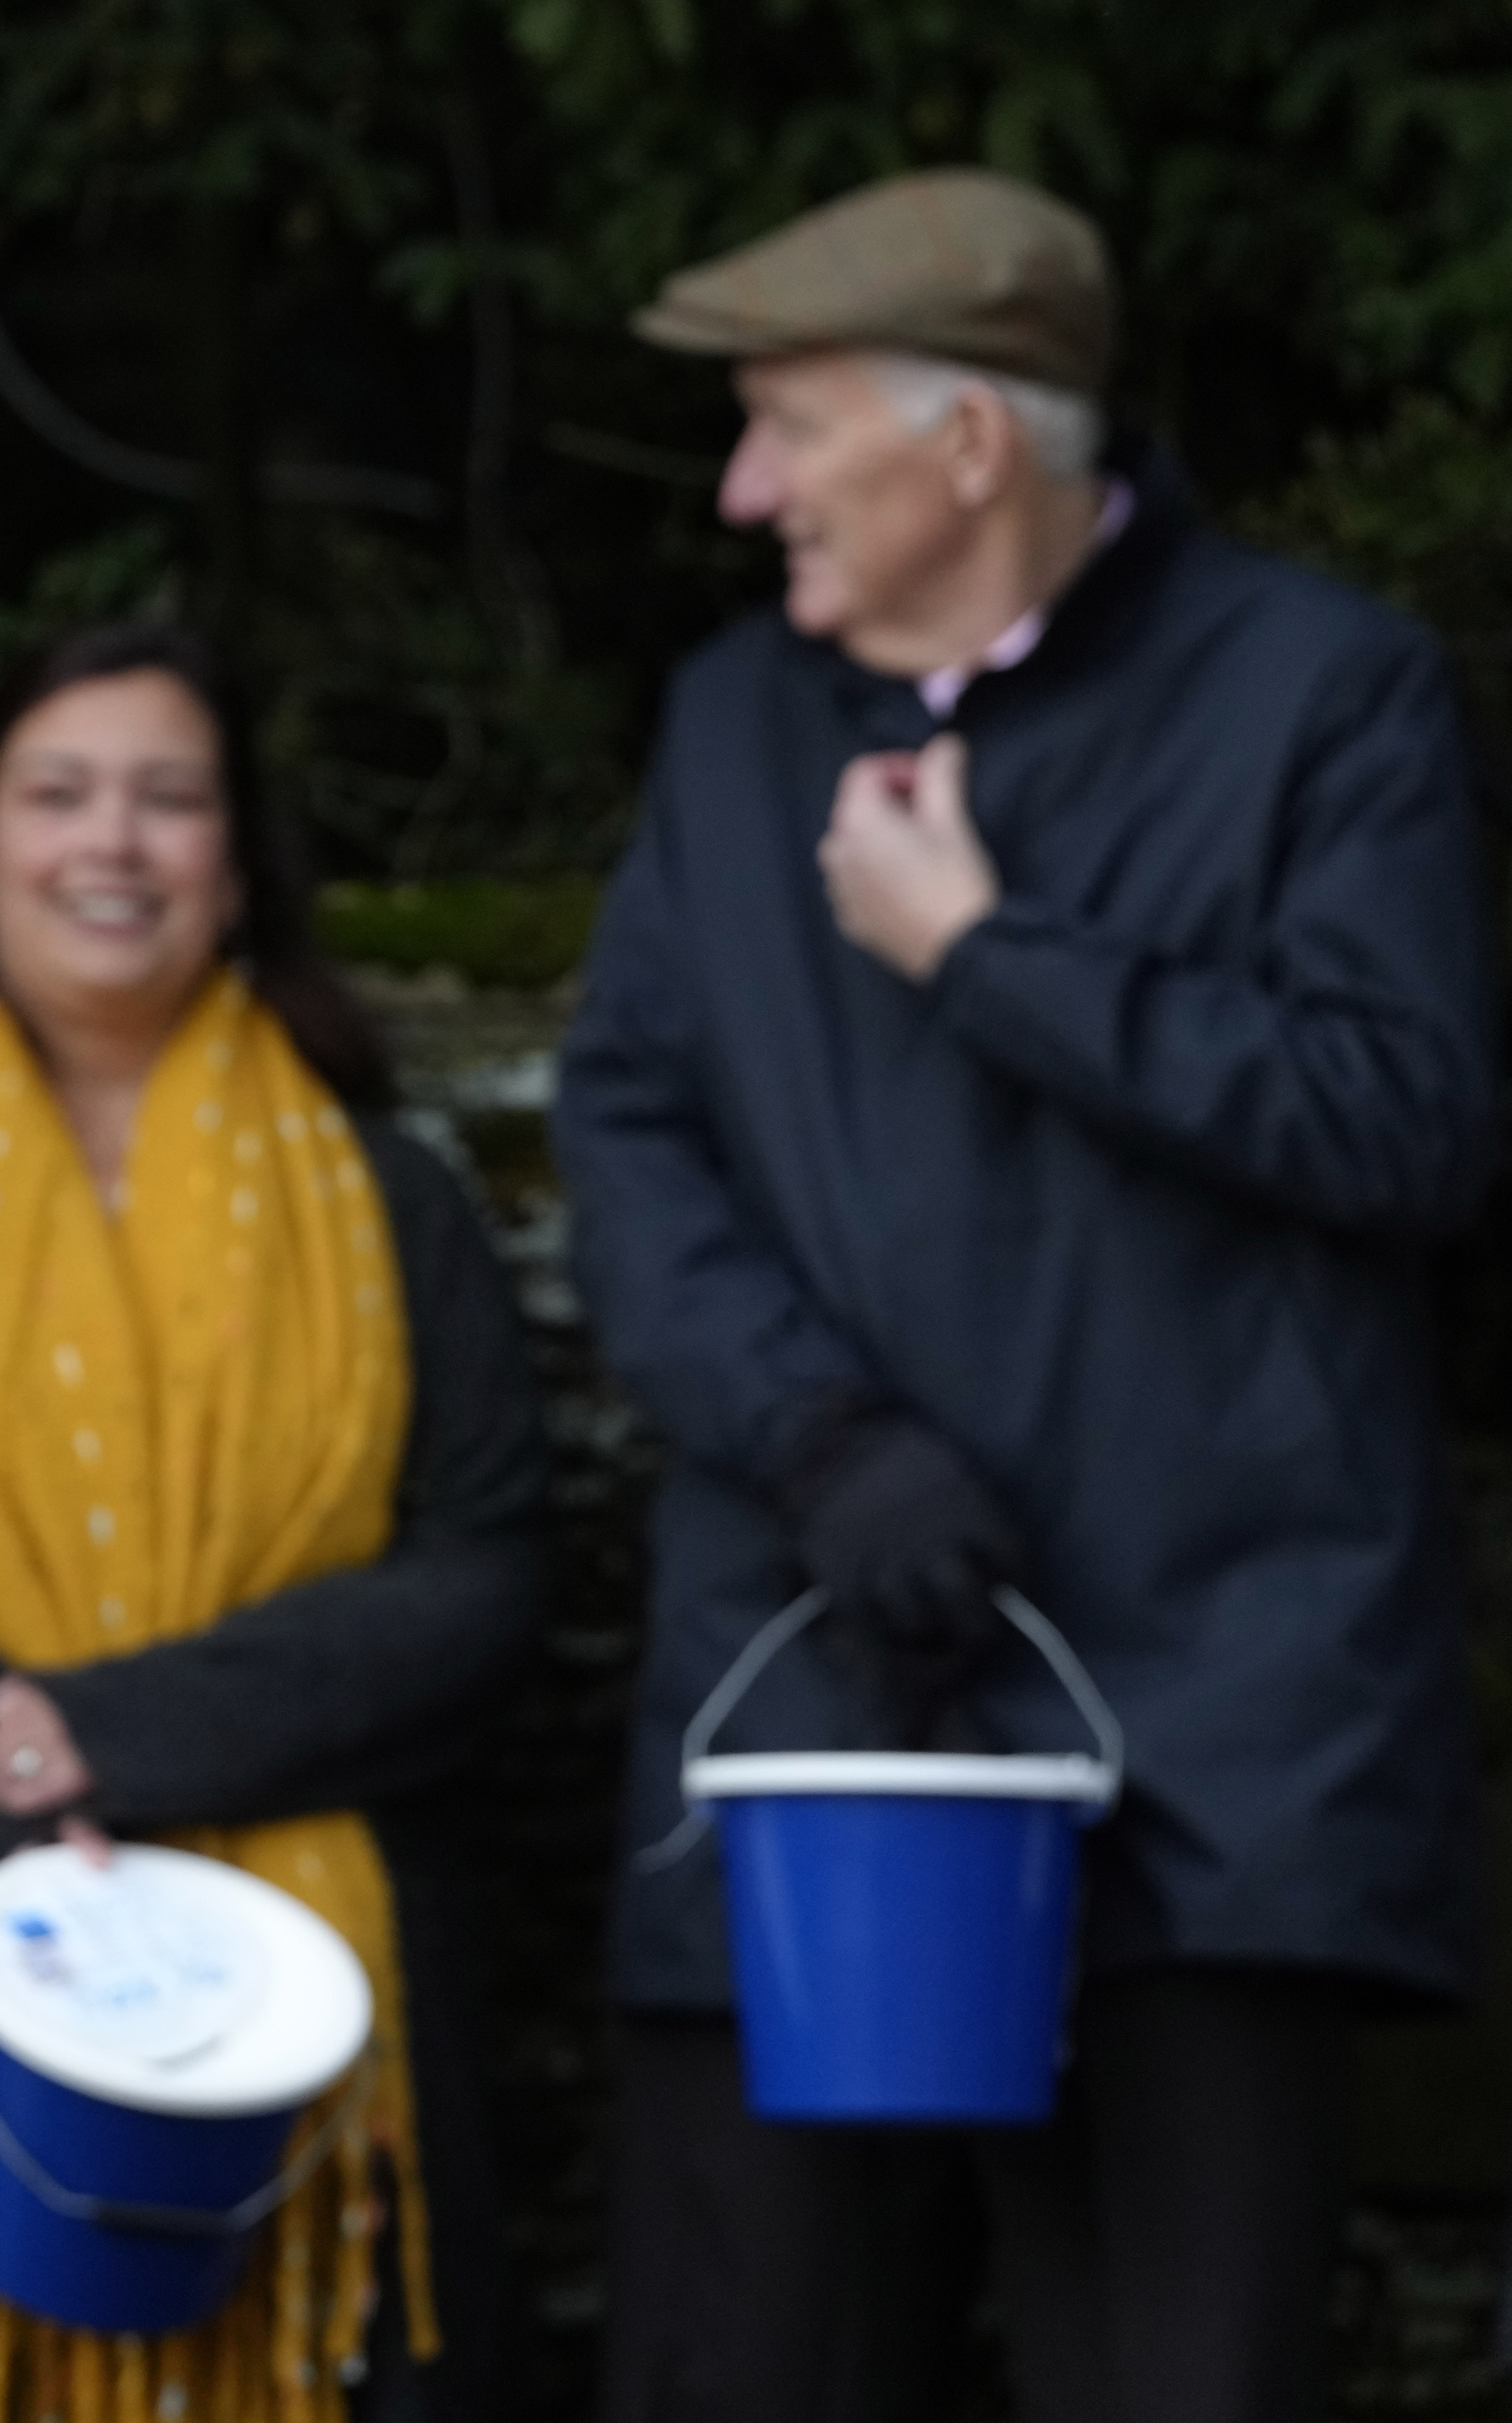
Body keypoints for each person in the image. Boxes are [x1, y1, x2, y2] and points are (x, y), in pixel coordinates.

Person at [557, 169, 1499, 2422]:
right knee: (753, 2380)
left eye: (784, 427)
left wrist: (986, 955)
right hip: (809, 1712)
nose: (738, 488)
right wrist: (817, 1437)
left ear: (965, 444)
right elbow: (630, 1134)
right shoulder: (727, 724)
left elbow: (1407, 1124)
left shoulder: (1323, 699)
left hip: (1218, 1741)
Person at [0, 626, 547, 2423]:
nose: (115, 842)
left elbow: (481, 1578)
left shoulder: (391, 1196)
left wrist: (92, 1733)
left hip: (306, 1973)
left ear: (234, 870)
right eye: (59, 794)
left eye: (170, 800)